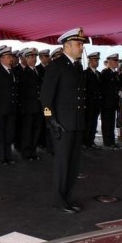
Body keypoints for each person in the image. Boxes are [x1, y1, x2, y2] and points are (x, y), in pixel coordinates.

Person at [40, 28, 88, 214]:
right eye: (79, 44)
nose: (81, 47)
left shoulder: (76, 66)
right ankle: (58, 200)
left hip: (76, 122)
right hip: (62, 123)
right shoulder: (56, 65)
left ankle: (67, 197)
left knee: (74, 163)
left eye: (81, 44)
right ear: (67, 45)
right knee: (63, 163)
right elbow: (46, 97)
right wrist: (50, 120)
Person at [0, 46, 19, 165]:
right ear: (1, 59)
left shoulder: (12, 71)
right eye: (7, 57)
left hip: (11, 108)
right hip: (0, 109)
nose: (10, 59)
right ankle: (0, 156)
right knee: (0, 134)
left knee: (9, 133)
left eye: (10, 57)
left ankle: (8, 156)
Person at [18, 48, 43, 161]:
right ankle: (26, 153)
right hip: (28, 107)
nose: (34, 59)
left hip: (38, 107)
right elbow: (21, 93)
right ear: (26, 59)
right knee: (27, 132)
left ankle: (33, 151)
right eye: (31, 57)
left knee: (36, 130)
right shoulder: (24, 73)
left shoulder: (39, 71)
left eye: (35, 57)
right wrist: (22, 107)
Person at [100, 54, 121, 149]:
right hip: (106, 103)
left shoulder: (115, 73)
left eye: (117, 61)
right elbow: (102, 89)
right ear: (110, 62)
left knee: (111, 122)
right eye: (115, 61)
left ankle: (111, 140)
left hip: (113, 103)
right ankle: (107, 141)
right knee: (107, 123)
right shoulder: (105, 73)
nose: (117, 63)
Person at [83, 52, 102, 149]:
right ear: (90, 61)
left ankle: (91, 140)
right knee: (88, 123)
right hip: (89, 103)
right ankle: (86, 142)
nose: (97, 62)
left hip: (96, 103)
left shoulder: (98, 74)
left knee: (94, 123)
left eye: (97, 60)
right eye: (95, 60)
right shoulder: (86, 74)